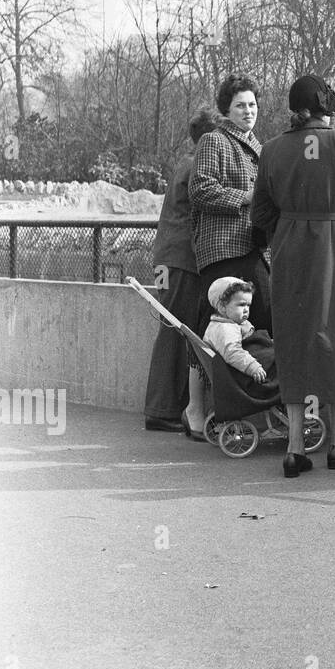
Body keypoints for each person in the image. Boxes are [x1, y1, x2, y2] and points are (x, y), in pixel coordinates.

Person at [250, 74, 335, 479]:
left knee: (294, 342)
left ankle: (295, 449)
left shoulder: (272, 150)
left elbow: (259, 212)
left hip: (291, 253)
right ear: (325, 109)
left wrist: (287, 231)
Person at [182, 74, 269, 440]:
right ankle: (196, 409)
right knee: (212, 331)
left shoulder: (261, 148)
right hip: (222, 251)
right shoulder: (215, 141)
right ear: (226, 110)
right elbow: (200, 189)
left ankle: (250, 411)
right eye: (240, 105)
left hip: (251, 249)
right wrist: (245, 198)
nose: (247, 111)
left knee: (254, 326)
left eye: (252, 105)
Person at [142, 107, 217, 431]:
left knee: (173, 330)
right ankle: (161, 410)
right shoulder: (197, 166)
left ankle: (169, 408)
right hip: (180, 260)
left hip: (171, 259)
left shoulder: (186, 162)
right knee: (175, 332)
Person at [203, 276, 277, 387]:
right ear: (222, 307)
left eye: (248, 305)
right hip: (238, 374)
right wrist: (253, 367)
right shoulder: (224, 328)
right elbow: (232, 352)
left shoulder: (233, 323)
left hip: (246, 361)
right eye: (241, 304)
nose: (246, 309)